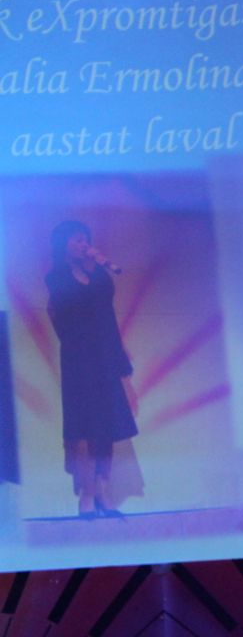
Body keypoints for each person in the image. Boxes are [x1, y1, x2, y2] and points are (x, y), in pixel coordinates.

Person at [45, 220, 138, 518]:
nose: (82, 243)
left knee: (107, 426)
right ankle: (86, 495)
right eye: (76, 239)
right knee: (84, 428)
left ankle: (103, 492)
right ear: (63, 245)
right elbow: (59, 312)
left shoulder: (97, 276)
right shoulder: (56, 277)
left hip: (105, 356)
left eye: (85, 238)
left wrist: (98, 262)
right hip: (78, 359)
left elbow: (107, 307)